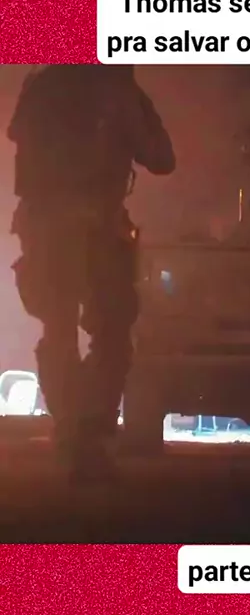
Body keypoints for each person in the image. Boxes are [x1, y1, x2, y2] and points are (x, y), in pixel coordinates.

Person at [7, 65, 176, 481]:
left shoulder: (41, 82)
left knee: (60, 330)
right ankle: (90, 433)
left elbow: (20, 140)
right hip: (97, 226)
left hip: (46, 226)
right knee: (110, 333)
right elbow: (161, 158)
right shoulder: (116, 88)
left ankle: (73, 434)